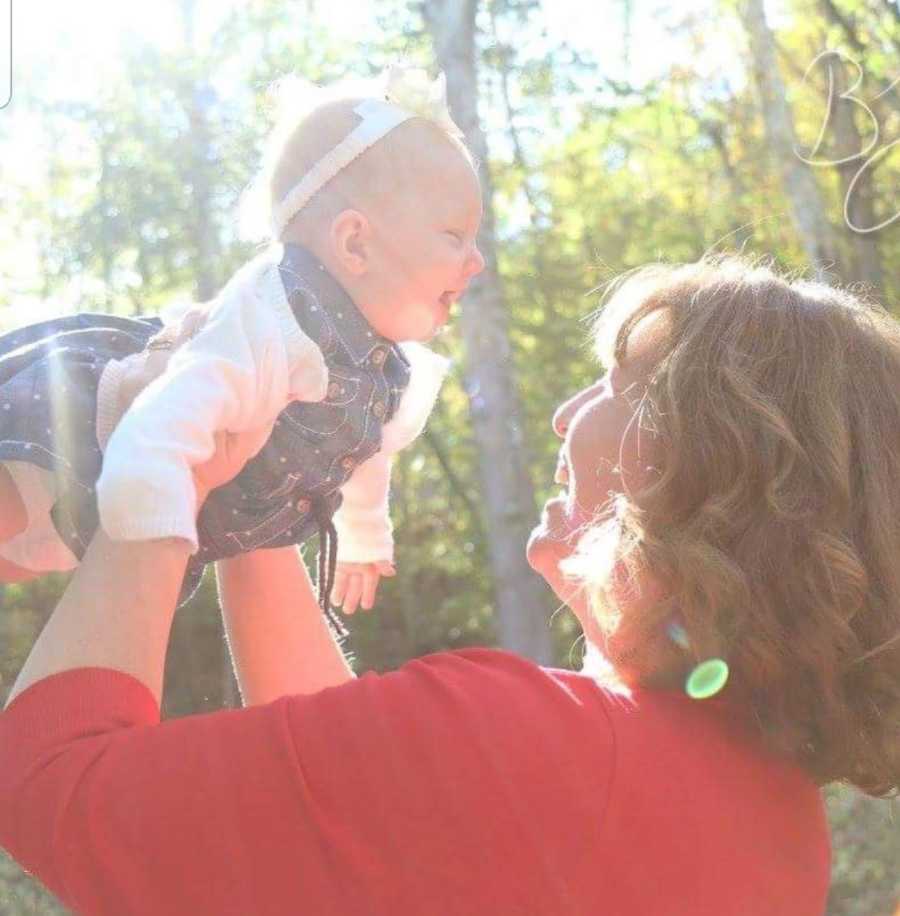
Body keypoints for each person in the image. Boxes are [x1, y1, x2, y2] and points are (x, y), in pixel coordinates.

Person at [3, 254, 899, 914]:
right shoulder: (770, 820)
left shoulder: (539, 751)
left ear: (721, 469)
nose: (564, 411)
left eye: (622, 383)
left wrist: (158, 444)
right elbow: (358, 798)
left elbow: (49, 780)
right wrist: (257, 500)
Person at [0, 64, 485, 619]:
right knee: (12, 507)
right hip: (104, 425)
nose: (478, 261)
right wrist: (153, 531)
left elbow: (368, 452)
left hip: (138, 486)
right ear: (355, 243)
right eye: (455, 236)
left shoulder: (389, 374)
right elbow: (171, 408)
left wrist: (365, 537)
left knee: (20, 560)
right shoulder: (275, 319)